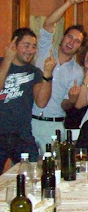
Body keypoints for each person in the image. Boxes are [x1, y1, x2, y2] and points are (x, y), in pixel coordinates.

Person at [32, 0, 88, 154]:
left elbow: (65, 105)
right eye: (69, 37)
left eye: (77, 41)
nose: (71, 42)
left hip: (54, 125)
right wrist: (70, 2)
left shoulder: (77, 71)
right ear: (63, 37)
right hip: (29, 121)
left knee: (52, 167)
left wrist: (72, 99)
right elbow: (48, 23)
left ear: (80, 47)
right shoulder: (45, 50)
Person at [0, 28, 56, 171]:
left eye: (34, 46)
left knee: (34, 172)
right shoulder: (1, 63)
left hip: (21, 134)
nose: (31, 51)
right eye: (26, 45)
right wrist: (7, 60)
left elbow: (41, 103)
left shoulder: (34, 72)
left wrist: (47, 74)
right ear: (14, 45)